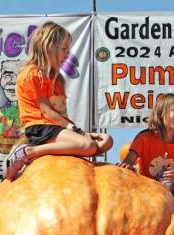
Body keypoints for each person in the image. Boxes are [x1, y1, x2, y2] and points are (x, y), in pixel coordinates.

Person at [7, 21, 113, 180]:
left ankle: (54, 148)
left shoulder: (57, 80)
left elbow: (61, 113)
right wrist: (76, 131)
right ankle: (29, 151)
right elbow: (46, 111)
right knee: (88, 145)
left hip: (57, 127)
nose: (67, 54)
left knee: (106, 141)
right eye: (64, 49)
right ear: (48, 46)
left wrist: (80, 132)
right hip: (40, 127)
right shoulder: (32, 73)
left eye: (68, 50)